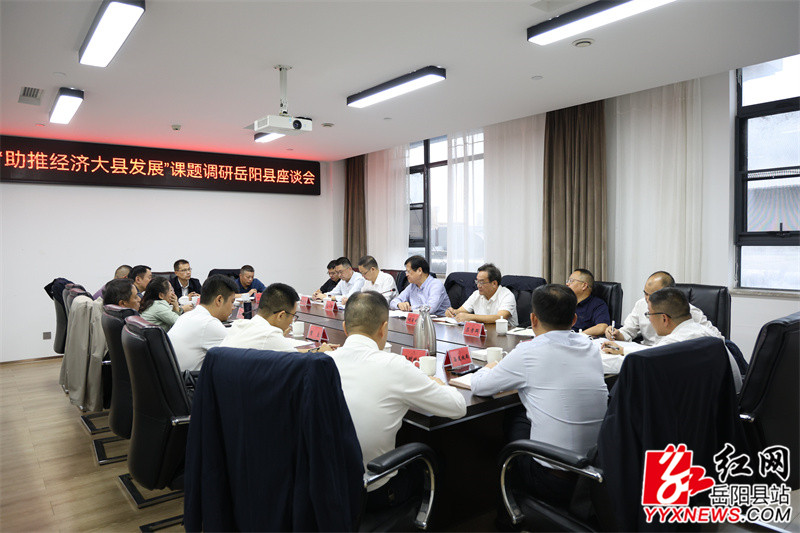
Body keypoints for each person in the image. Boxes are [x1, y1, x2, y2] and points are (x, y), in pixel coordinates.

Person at [471, 284, 608, 507]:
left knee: (514, 416)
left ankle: (507, 507)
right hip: (597, 472)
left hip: (554, 479)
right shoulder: (588, 345)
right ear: (574, 319)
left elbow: (480, 387)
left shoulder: (528, 351)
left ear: (533, 319)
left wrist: (489, 367)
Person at [329, 292, 466, 510]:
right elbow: (458, 407)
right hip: (370, 492)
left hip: (325, 487)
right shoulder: (393, 365)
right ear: (384, 328)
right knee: (434, 459)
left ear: (345, 328)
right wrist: (439, 384)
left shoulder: (323, 361)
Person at [601, 288, 742, 392]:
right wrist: (623, 349)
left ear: (664, 318)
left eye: (649, 314)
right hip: (725, 403)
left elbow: (644, 360)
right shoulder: (706, 332)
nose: (649, 319)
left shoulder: (675, 343)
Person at [605, 270, 721, 345]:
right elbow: (627, 331)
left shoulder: (686, 311)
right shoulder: (641, 305)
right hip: (646, 352)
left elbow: (717, 339)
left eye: (652, 295)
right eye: (645, 293)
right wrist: (617, 334)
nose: (647, 299)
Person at [221, 282, 334, 352]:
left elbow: (291, 352)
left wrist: (315, 350)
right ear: (281, 315)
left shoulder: (239, 325)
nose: (291, 321)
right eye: (293, 316)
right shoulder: (270, 335)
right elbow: (300, 360)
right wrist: (321, 351)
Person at [169, 275, 236, 372]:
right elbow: (237, 356)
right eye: (232, 302)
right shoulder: (208, 323)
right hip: (191, 380)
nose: (233, 307)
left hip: (174, 376)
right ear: (219, 300)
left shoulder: (186, 316)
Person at [445, 263, 518, 327]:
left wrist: (471, 317)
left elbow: (500, 317)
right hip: (483, 333)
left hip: (505, 335)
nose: (478, 285)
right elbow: (460, 311)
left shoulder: (507, 295)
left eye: (482, 282)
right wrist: (452, 312)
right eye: (477, 281)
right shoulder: (476, 294)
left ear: (494, 283)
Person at [566, 268, 609, 336]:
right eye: (568, 281)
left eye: (571, 281)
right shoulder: (564, 301)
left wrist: (578, 336)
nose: (567, 284)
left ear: (584, 286)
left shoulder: (597, 304)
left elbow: (602, 327)